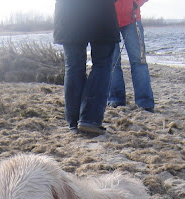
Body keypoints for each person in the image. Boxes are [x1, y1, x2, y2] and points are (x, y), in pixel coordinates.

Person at [54, 0, 120, 135]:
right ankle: (90, 120)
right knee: (101, 65)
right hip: (101, 13)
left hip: (68, 14)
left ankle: (74, 122)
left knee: (74, 67)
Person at [108, 0, 155, 112]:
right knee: (112, 63)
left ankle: (145, 102)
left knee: (139, 62)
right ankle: (115, 99)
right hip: (107, 19)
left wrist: (136, 3)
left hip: (132, 18)